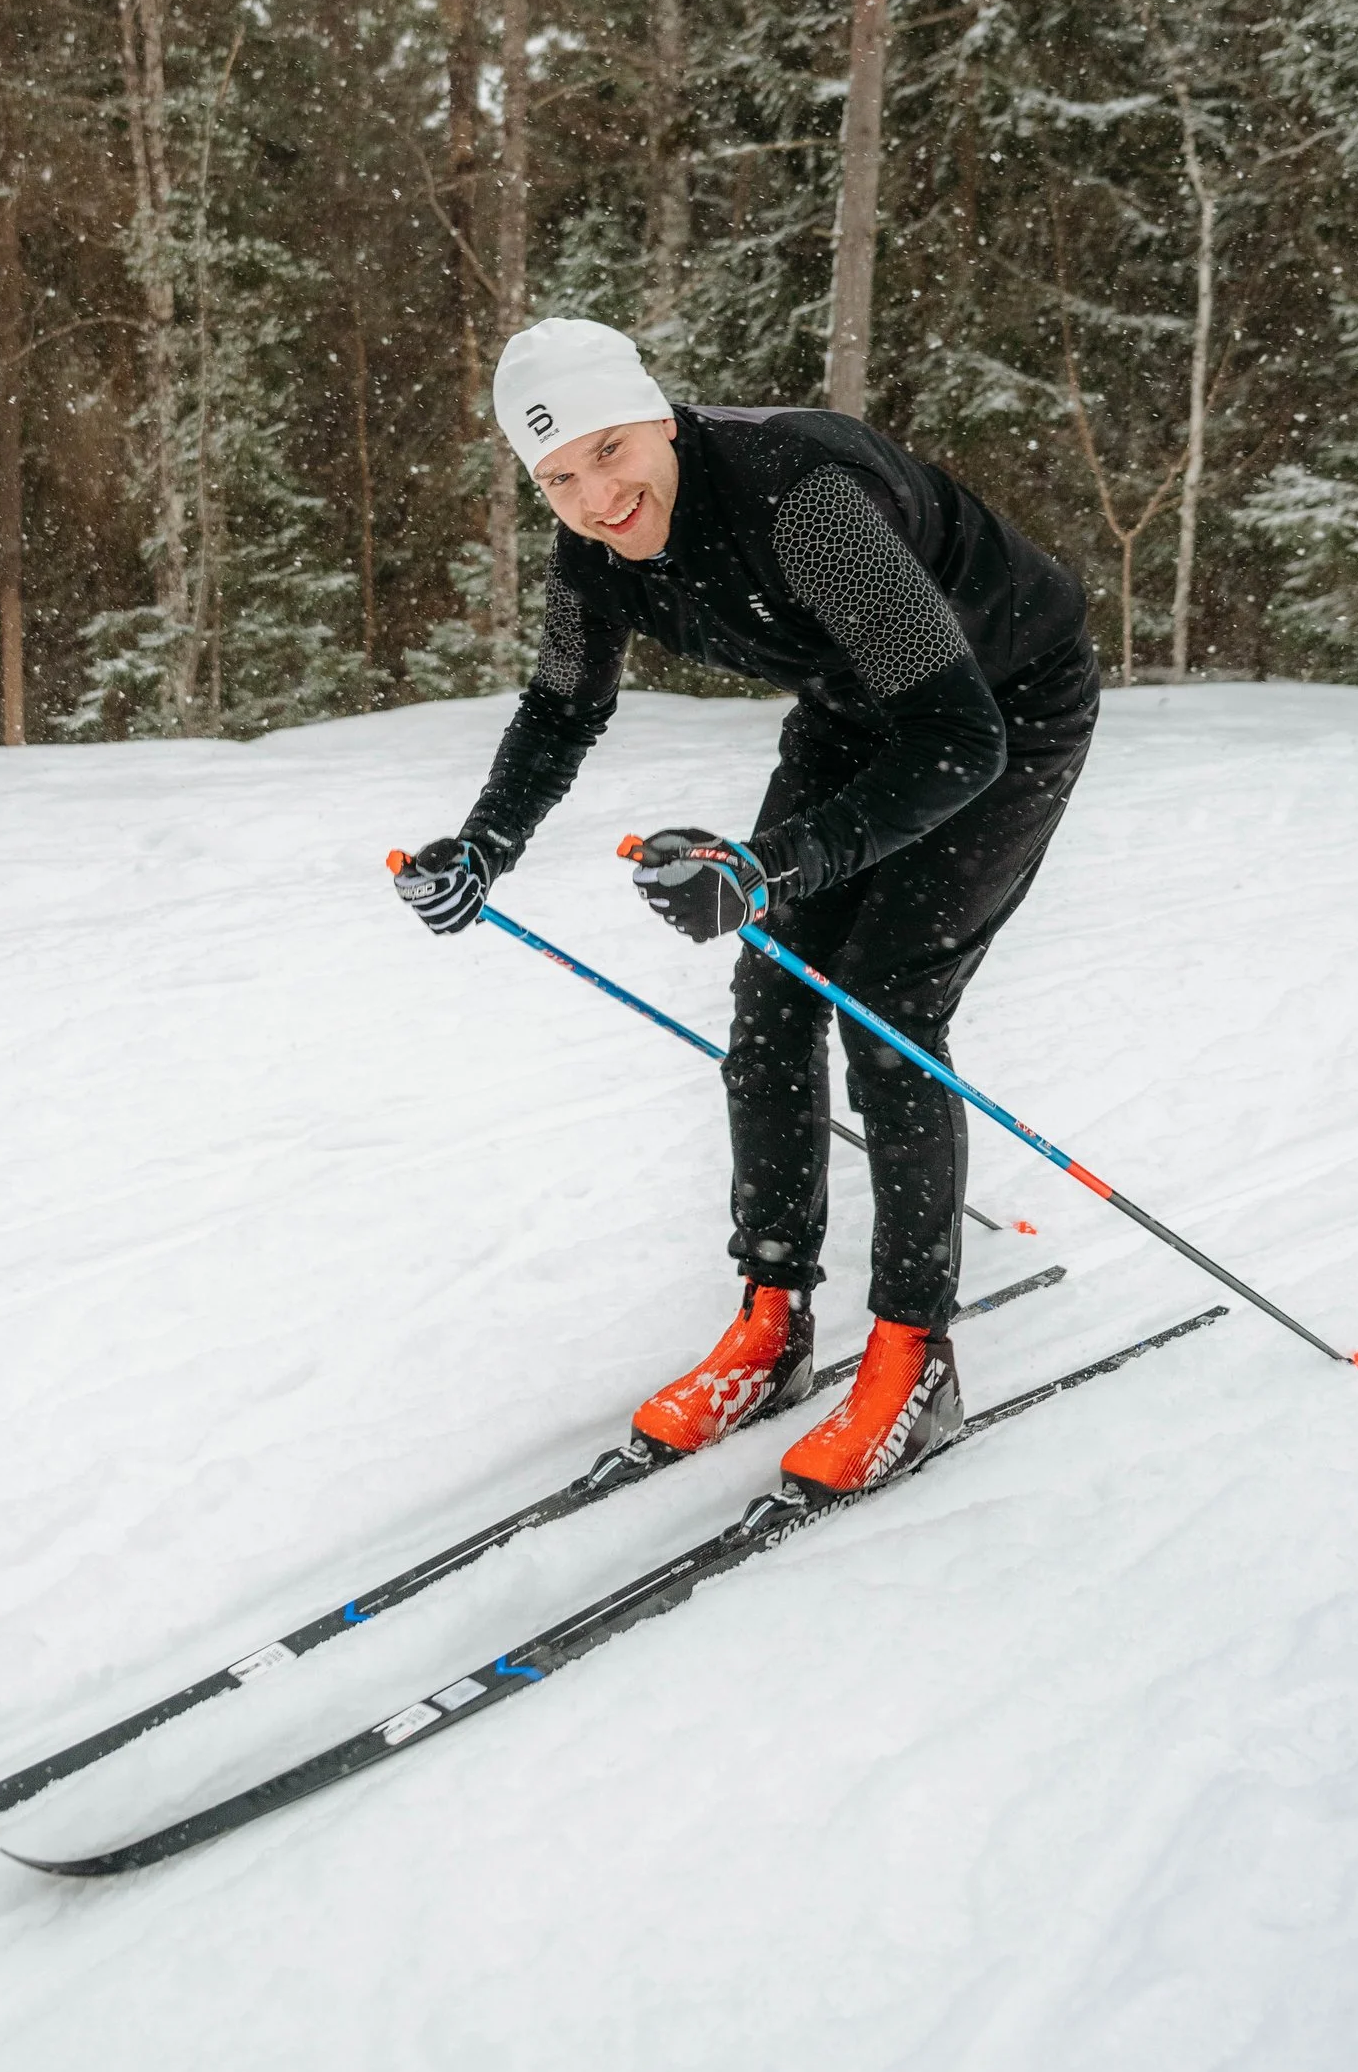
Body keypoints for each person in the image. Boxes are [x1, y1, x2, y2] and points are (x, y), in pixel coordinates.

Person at [394, 316, 1101, 1496]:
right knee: (771, 998)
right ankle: (772, 1323)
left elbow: (958, 736)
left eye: (610, 450)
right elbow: (562, 706)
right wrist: (484, 845)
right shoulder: (593, 554)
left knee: (885, 1002)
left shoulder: (798, 501)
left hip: (1002, 710)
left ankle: (914, 1359)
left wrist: (770, 867)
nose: (596, 497)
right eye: (558, 477)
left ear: (659, 421)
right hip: (853, 708)